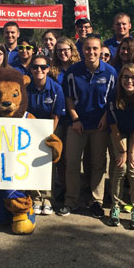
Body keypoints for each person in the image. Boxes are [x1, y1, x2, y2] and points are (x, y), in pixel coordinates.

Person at [58, 34, 117, 218]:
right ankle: (71, 201)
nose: (91, 52)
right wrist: (75, 119)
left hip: (100, 125)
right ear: (82, 50)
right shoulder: (73, 71)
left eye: (95, 48)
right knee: (72, 163)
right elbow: (68, 98)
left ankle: (96, 201)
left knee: (98, 164)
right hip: (77, 124)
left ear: (101, 50)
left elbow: (113, 99)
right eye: (87, 48)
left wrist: (106, 118)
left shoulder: (110, 72)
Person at [107, 63, 134, 229]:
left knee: (133, 167)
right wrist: (122, 150)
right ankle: (115, 207)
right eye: (125, 77)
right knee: (120, 166)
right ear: (120, 79)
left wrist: (131, 151)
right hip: (118, 131)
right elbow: (113, 125)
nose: (129, 81)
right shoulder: (114, 95)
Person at [26, 54, 66, 215]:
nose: (39, 70)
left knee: (48, 162)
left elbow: (56, 115)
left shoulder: (56, 88)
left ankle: (48, 198)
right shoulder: (26, 88)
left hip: (51, 128)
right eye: (35, 67)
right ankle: (35, 197)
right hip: (30, 129)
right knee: (31, 162)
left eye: (43, 67)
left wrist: (48, 135)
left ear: (48, 69)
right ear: (30, 69)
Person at [49, 37, 81, 199]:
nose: (62, 53)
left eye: (65, 50)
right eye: (59, 50)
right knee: (60, 156)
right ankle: (63, 186)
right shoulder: (52, 71)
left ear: (72, 50)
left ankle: (74, 189)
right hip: (59, 117)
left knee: (72, 157)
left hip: (75, 116)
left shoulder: (79, 68)